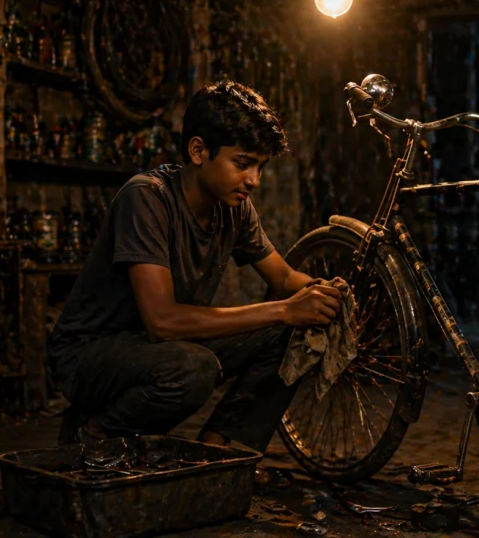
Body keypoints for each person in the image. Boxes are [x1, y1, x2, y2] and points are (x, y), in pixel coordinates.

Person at [46, 80, 346, 451]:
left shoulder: (233, 207)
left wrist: (325, 295)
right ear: (199, 150)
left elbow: (283, 277)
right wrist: (285, 309)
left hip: (160, 347)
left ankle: (216, 446)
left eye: (261, 167)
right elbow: (163, 322)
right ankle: (93, 435)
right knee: (194, 368)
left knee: (295, 332)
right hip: (89, 355)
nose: (254, 180)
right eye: (243, 164)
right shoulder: (146, 198)